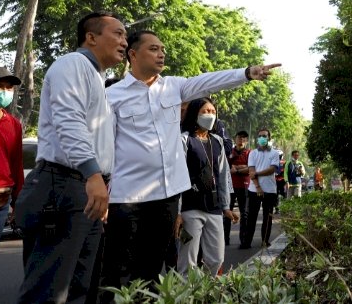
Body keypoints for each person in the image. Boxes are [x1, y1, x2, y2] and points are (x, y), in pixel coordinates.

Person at [101, 30, 279, 299]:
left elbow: (210, 81)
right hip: (126, 198)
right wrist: (100, 186)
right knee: (121, 269)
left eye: (162, 48)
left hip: (166, 197)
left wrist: (245, 73)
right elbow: (103, 146)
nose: (161, 53)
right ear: (133, 54)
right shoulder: (112, 96)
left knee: (154, 269)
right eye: (153, 48)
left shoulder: (173, 87)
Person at [15, 12, 127, 304]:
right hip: (64, 186)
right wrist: (93, 177)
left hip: (83, 190)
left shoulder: (97, 79)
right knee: (49, 292)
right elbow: (70, 122)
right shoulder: (73, 64)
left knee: (77, 289)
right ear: (91, 37)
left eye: (125, 36)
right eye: (117, 33)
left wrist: (101, 184)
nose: (124, 42)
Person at [175, 98, 238, 275]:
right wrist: (178, 212)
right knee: (188, 260)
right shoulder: (184, 140)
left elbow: (223, 175)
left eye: (212, 111)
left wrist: (226, 206)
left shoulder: (217, 141)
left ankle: (205, 292)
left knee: (216, 258)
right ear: (195, 113)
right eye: (205, 111)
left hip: (214, 208)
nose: (210, 115)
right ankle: (185, 297)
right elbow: (177, 177)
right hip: (190, 208)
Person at [0, 67, 23, 254]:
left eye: (8, 87)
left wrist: (18, 203)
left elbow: (17, 164)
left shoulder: (14, 124)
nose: (4, 91)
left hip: (0, 205)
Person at [241, 129, 278, 249]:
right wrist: (257, 186)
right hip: (254, 189)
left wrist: (257, 173)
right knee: (251, 217)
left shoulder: (274, 153)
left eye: (265, 136)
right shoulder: (253, 153)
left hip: (270, 189)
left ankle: (265, 241)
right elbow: (251, 171)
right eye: (260, 136)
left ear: (269, 138)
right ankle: (247, 242)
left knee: (268, 217)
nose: (262, 138)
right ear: (257, 138)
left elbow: (272, 169)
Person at [224, 130, 250, 247]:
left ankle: (243, 241)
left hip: (244, 185)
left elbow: (251, 168)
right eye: (239, 137)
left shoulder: (250, 153)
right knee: (227, 212)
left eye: (244, 138)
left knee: (244, 214)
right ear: (235, 139)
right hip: (230, 186)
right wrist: (242, 167)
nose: (241, 140)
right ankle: (225, 239)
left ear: (247, 141)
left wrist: (237, 169)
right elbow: (225, 167)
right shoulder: (229, 152)